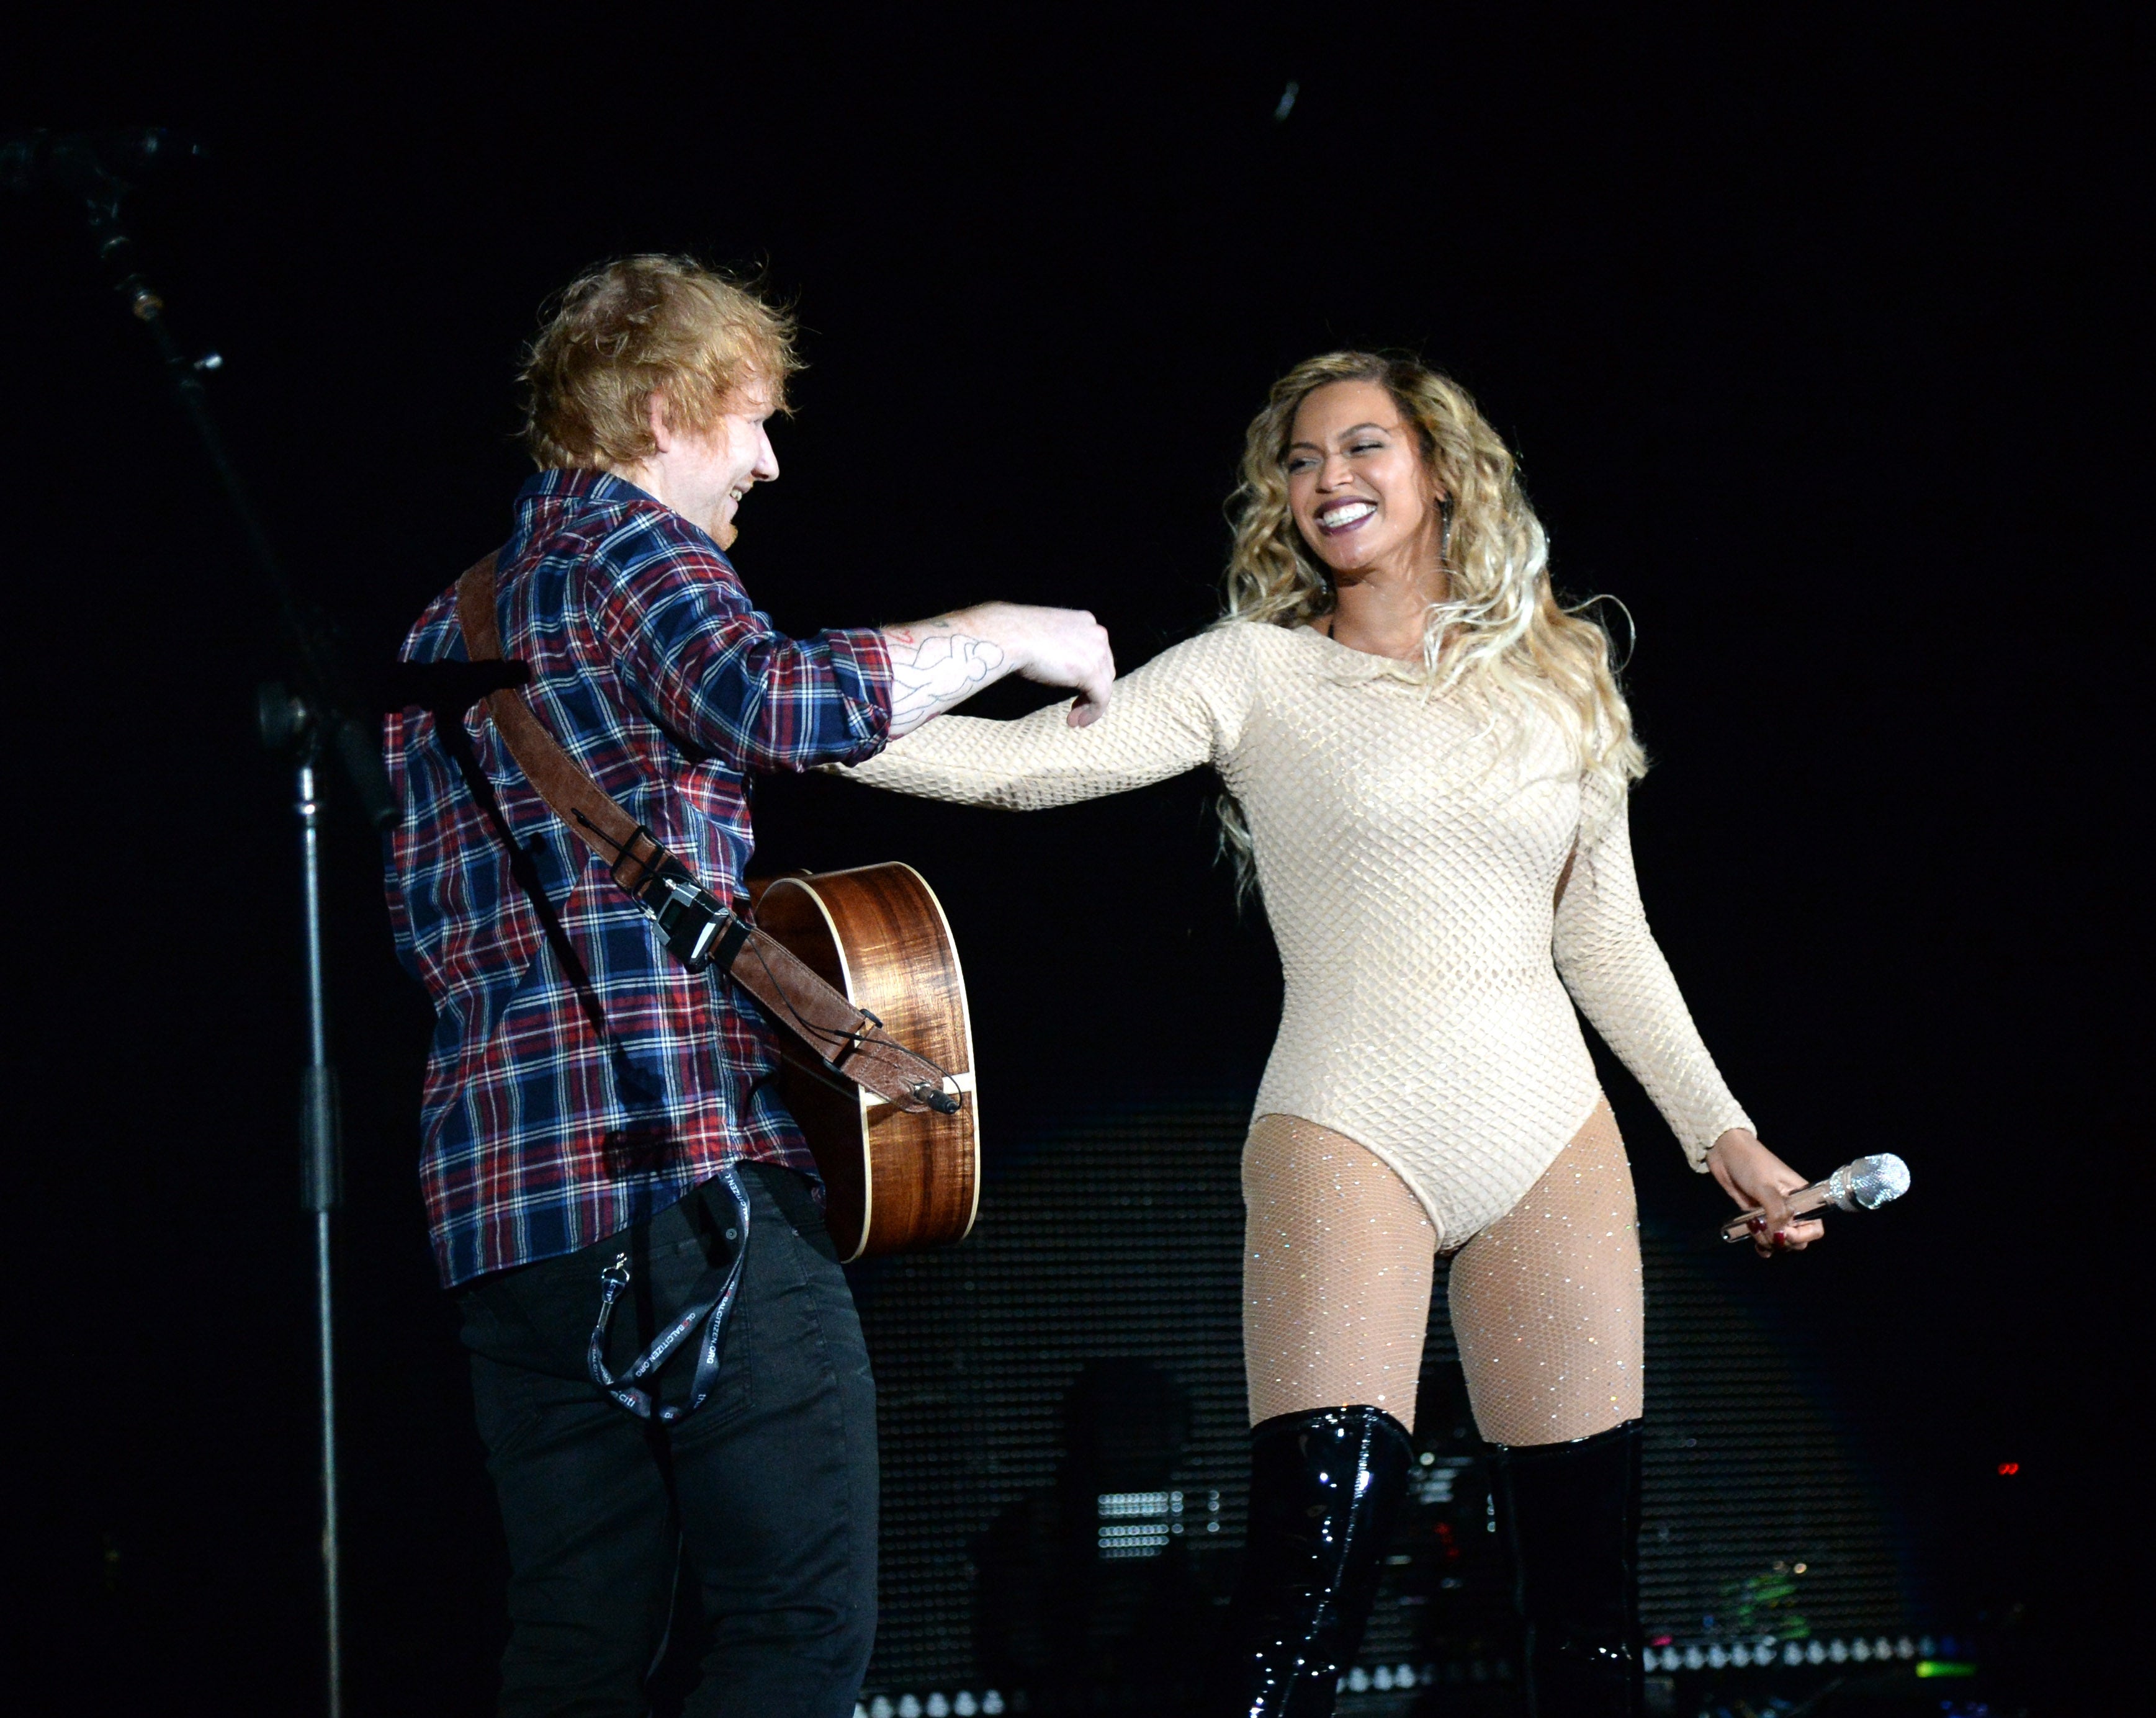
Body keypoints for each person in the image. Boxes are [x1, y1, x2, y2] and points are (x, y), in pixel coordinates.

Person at [840, 351, 1824, 1717]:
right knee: (1310, 1590)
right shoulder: (1256, 673)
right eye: (1299, 462)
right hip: (1349, 1123)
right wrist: (776, 712)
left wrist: (1727, 1134)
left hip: (1552, 1135)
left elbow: (1604, 936)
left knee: (1590, 1617)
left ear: (1440, 470)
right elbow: (1020, 767)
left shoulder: (1566, 672)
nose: (1327, 479)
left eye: (1362, 447)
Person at [381, 254, 1113, 1718]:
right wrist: (1019, 633)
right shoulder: (632, 546)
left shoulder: (438, 629)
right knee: (797, 1628)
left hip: (504, 1221)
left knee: (574, 1655)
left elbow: (421, 924)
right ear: (663, 413)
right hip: (684, 1182)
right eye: (754, 424)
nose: (770, 462)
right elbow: (778, 700)